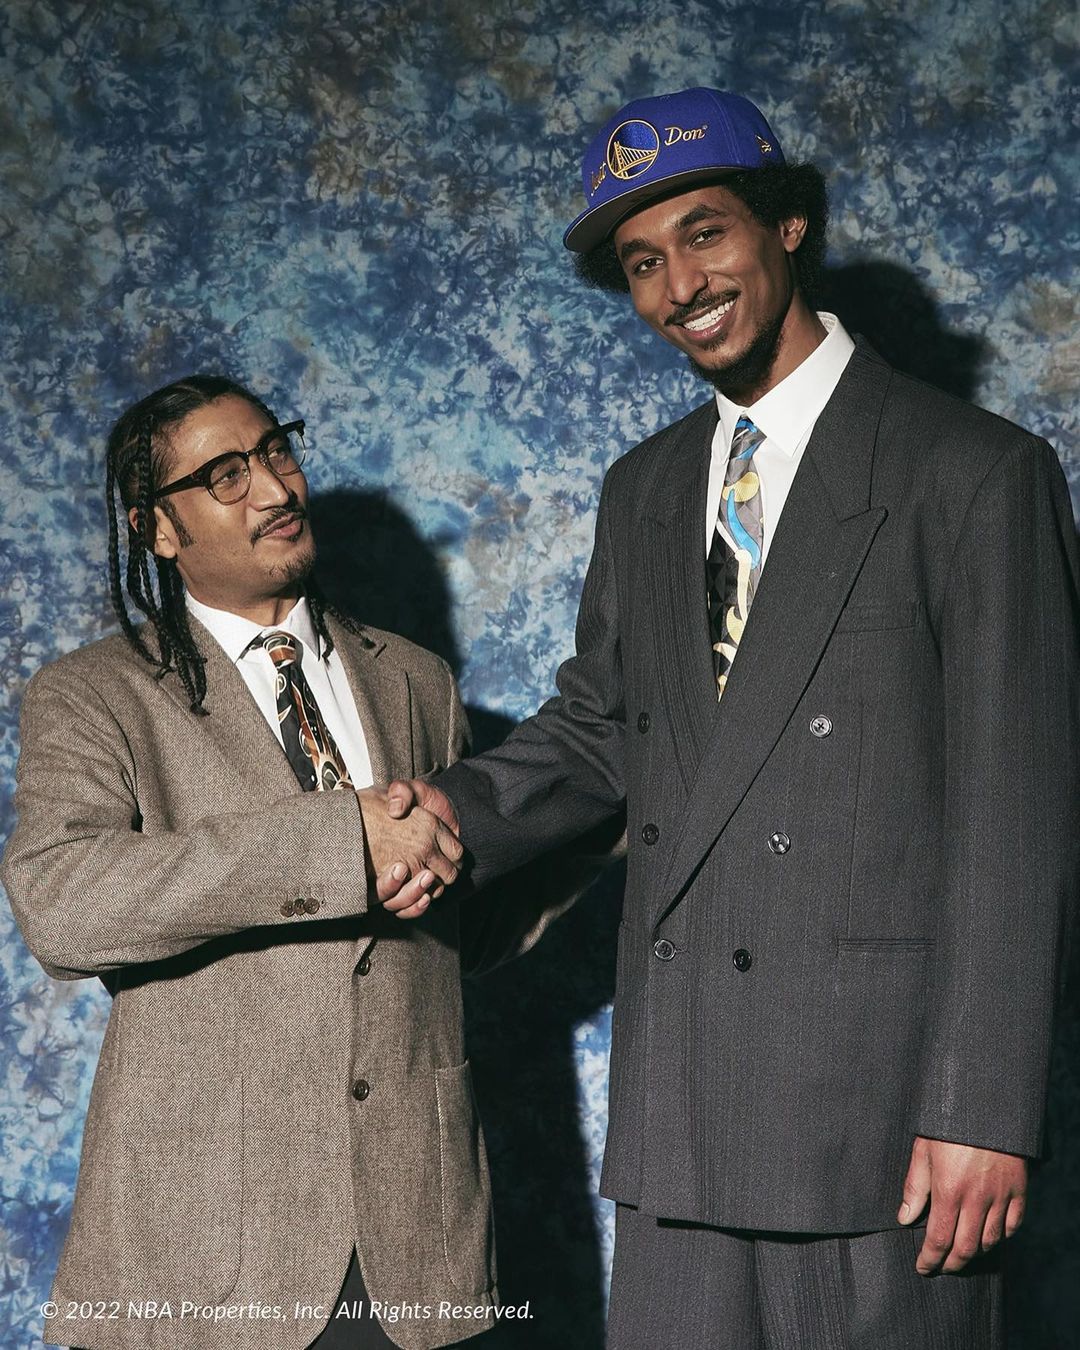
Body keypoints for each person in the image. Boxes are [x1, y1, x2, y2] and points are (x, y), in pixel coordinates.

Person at [384, 88, 1080, 1348]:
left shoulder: (974, 473)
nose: (680, 286)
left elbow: (1018, 816)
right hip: (682, 1103)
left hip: (883, 1113)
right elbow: (608, 725)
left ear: (788, 225)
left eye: (705, 233)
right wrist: (453, 810)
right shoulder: (645, 488)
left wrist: (983, 1107)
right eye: (643, 262)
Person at [3, 374, 512, 1350]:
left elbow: (462, 936)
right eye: (225, 475)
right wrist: (337, 841)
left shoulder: (418, 680)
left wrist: (618, 820)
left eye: (276, 450)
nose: (276, 489)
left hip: (417, 1241)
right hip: (202, 1247)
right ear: (158, 528)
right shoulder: (92, 695)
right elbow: (61, 904)